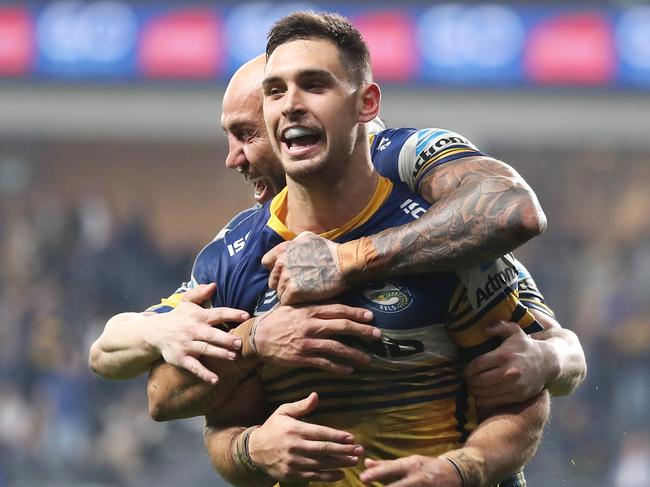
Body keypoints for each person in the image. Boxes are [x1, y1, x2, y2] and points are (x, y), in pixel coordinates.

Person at [153, 12, 552, 486]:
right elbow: (171, 401)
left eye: (314, 85)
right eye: (275, 91)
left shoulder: (438, 232)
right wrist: (252, 442)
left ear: (366, 103)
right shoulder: (235, 256)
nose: (291, 105)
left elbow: (523, 395)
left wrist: (460, 470)